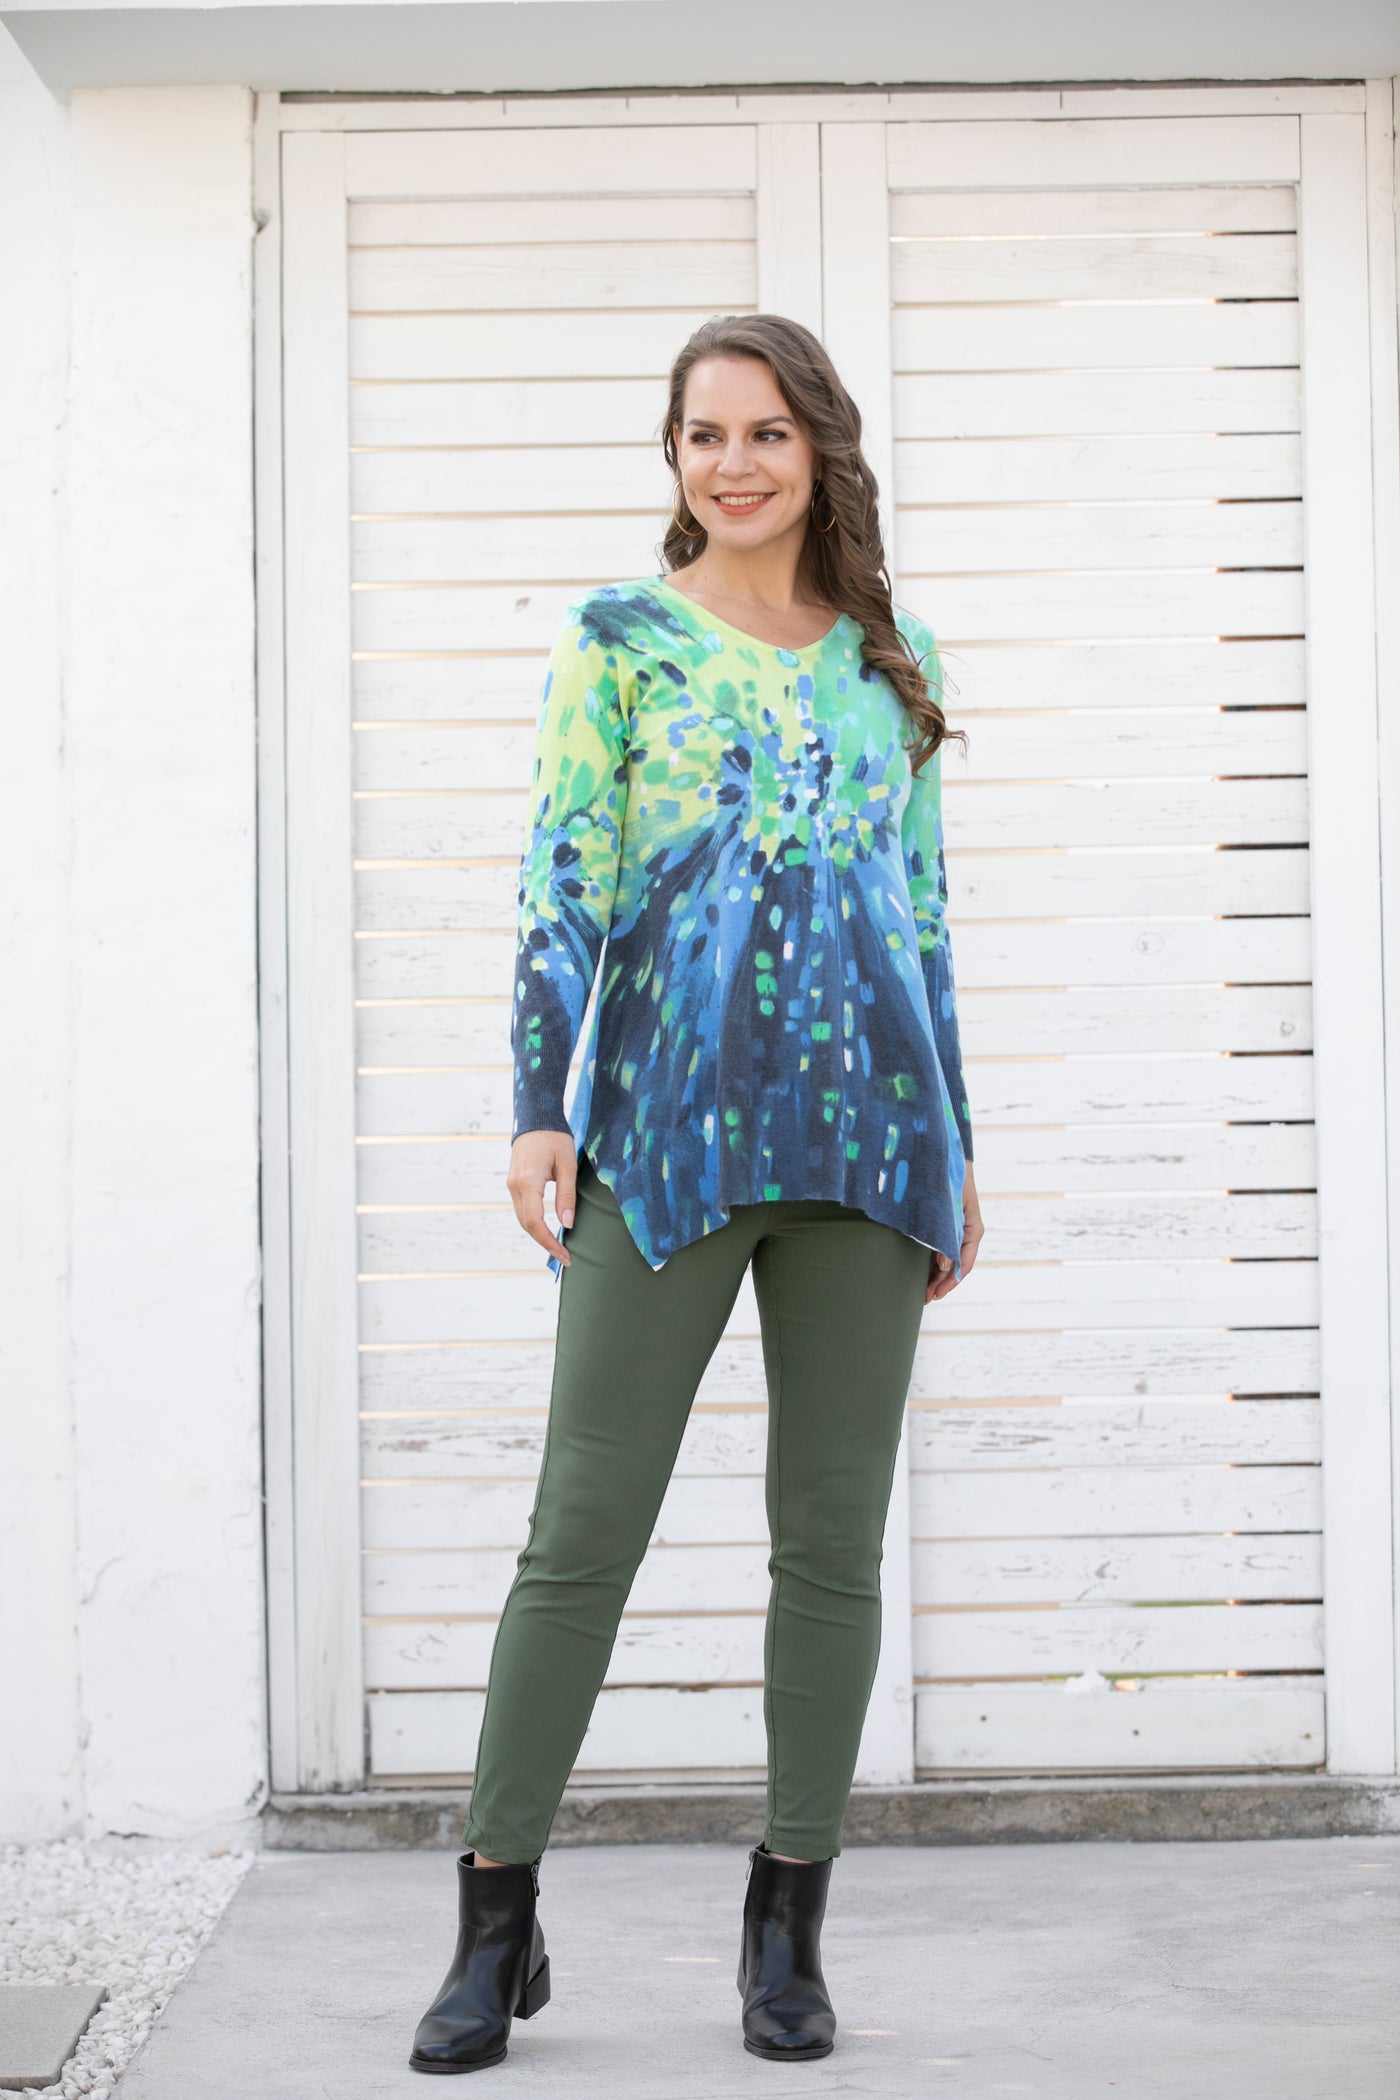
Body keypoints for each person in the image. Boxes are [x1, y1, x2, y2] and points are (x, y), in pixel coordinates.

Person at [409, 313, 983, 2076]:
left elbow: (924, 918)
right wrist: (538, 1107)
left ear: (821, 450)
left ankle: (788, 1924)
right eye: (704, 435)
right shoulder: (621, 644)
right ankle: (494, 1917)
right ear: (673, 458)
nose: (734, 463)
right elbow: (560, 881)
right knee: (582, 1530)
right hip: (661, 1147)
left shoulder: (893, 659)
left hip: (872, 1152)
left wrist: (959, 1142)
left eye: (766, 432)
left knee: (831, 1542)